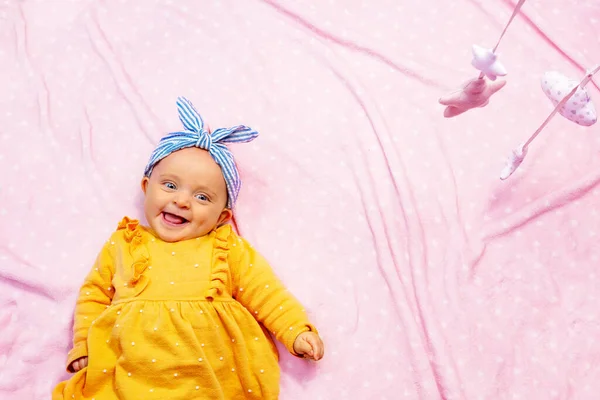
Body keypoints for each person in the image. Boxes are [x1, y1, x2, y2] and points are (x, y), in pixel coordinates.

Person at [52, 97, 324, 399]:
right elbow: (94, 294)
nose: (182, 201)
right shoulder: (124, 242)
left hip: (209, 370)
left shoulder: (225, 246)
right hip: (132, 368)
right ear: (146, 187)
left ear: (222, 217)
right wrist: (84, 344)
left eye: (202, 197)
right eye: (170, 185)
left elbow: (265, 291)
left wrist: (296, 331)